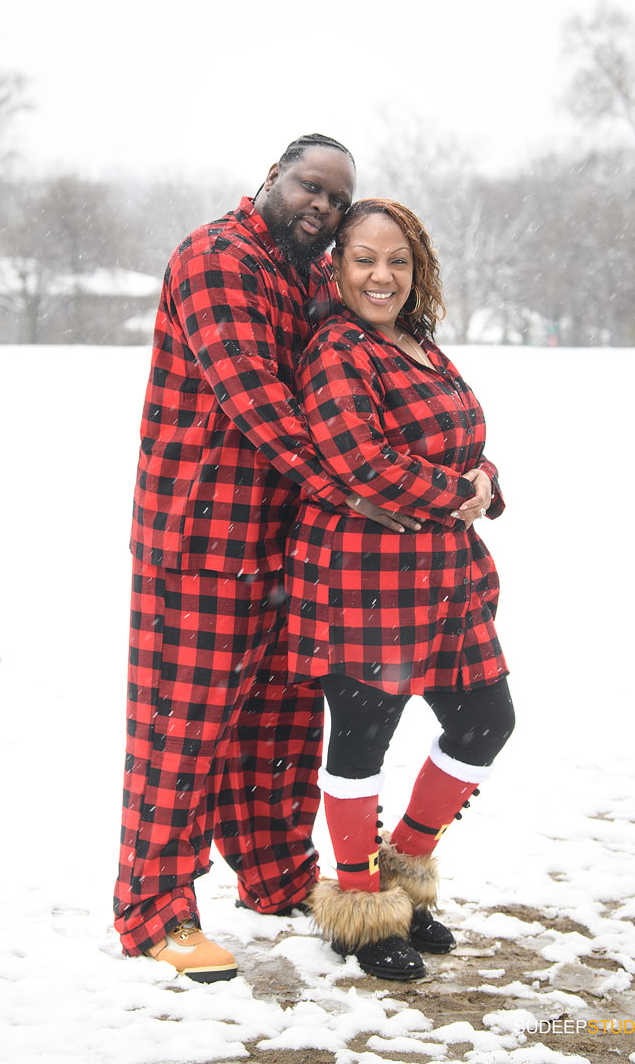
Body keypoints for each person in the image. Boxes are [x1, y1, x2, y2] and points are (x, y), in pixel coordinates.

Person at [114, 137, 419, 984]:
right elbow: (260, 402)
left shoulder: (315, 277)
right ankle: (155, 911)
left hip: (290, 544)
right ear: (269, 179)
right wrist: (358, 489)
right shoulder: (219, 258)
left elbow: (382, 378)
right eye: (309, 186)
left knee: (279, 727)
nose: (322, 206)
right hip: (203, 542)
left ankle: (277, 875)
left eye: (337, 197)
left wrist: (452, 469)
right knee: (182, 731)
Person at [285, 199, 515, 980]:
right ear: (338, 267)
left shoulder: (419, 345)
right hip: (366, 579)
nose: (382, 275)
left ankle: (405, 872)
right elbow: (361, 460)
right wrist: (456, 486)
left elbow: (462, 443)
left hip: (445, 579)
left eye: (399, 262)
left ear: (418, 271)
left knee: (486, 719)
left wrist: (483, 479)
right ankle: (356, 908)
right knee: (361, 739)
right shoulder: (337, 350)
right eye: (364, 260)